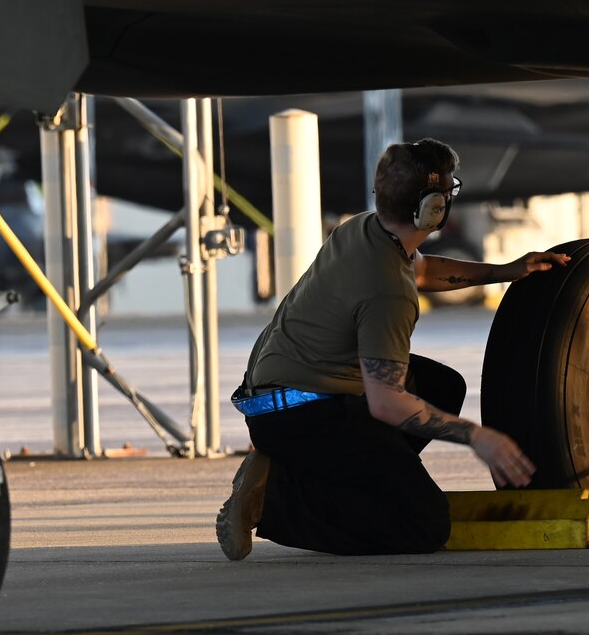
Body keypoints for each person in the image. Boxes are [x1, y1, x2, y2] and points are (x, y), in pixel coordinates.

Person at [216, 138, 570, 558]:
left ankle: (354, 479)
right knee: (424, 526)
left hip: (280, 398)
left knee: (440, 386)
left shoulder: (363, 229)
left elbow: (423, 269)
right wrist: (477, 436)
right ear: (434, 208)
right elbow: (387, 403)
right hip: (303, 417)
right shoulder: (388, 293)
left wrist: (507, 271)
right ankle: (275, 500)